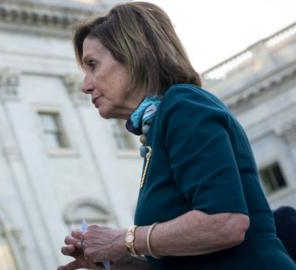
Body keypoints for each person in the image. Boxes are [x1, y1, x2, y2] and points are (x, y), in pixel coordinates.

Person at [58, 2, 296, 270]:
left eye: (93, 65)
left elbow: (226, 222)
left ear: (133, 56)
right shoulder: (157, 130)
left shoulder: (184, 105)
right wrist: (118, 260)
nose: (85, 85)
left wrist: (124, 239)